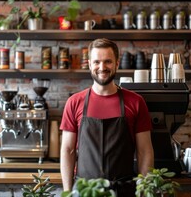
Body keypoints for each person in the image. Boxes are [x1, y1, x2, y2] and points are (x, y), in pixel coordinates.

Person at [59, 38, 154, 196]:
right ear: (90, 64)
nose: (102, 67)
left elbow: (145, 151)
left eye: (108, 62)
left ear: (117, 64)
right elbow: (67, 150)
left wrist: (143, 191)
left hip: (123, 191)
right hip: (84, 192)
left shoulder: (136, 102)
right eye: (96, 62)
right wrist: (68, 192)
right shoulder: (74, 102)